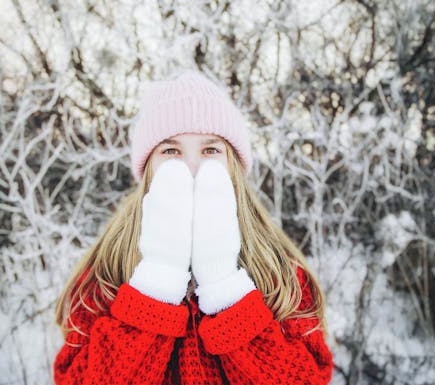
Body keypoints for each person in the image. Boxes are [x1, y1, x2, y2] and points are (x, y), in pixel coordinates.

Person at [52, 70, 334, 385]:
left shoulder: (279, 272)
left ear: (233, 167)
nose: (191, 167)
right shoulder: (105, 272)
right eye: (171, 151)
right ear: (148, 169)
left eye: (210, 150)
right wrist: (156, 284)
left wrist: (226, 288)